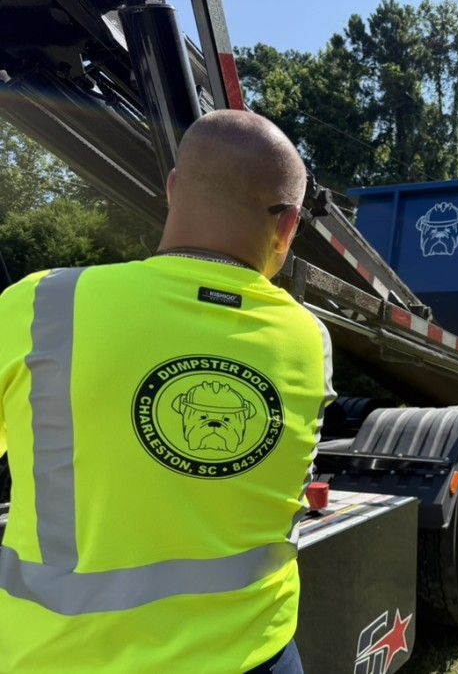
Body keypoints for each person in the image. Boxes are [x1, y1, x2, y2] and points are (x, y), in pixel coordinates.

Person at [0, 110, 335, 673]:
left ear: (173, 187)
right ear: (289, 228)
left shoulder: (40, 307)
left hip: (59, 658)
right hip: (259, 656)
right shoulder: (309, 340)